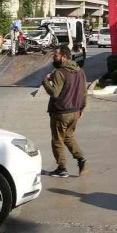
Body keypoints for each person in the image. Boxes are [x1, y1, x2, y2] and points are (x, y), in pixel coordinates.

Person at [43, 45, 88, 178]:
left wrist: (45, 81)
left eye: (55, 55)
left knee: (57, 140)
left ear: (63, 57)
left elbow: (54, 93)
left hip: (61, 112)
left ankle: (61, 169)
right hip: (75, 112)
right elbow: (84, 93)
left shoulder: (59, 72)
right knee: (68, 137)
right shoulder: (80, 71)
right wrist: (81, 109)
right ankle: (81, 159)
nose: (53, 58)